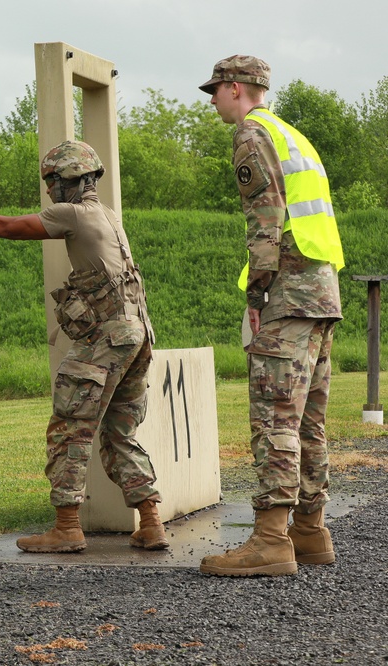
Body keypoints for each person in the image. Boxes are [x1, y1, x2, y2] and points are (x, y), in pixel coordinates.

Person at [0, 140, 169, 553]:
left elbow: (8, 227)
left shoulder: (72, 213)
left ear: (67, 179)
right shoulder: (107, 215)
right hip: (138, 334)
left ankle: (67, 527)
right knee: (118, 432)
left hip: (107, 338)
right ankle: (151, 523)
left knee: (69, 427)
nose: (50, 190)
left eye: (52, 180)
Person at [197, 56, 345, 577]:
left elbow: (265, 218)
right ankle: (310, 531)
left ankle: (270, 541)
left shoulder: (251, 135)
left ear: (235, 88)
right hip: (322, 293)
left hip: (286, 292)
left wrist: (257, 296)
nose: (212, 99)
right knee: (309, 422)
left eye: (214, 90)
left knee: (275, 418)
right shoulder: (292, 134)